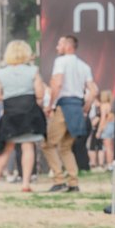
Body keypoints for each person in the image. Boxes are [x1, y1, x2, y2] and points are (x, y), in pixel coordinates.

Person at [0, 40, 46, 194]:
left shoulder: (1, 73)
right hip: (29, 113)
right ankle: (25, 184)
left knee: (6, 149)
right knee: (28, 147)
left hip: (10, 114)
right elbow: (40, 93)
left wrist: (9, 97)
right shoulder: (33, 71)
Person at [44, 35, 94, 194]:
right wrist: (86, 107)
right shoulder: (84, 66)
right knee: (66, 147)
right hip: (77, 107)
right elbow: (93, 90)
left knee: (48, 144)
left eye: (59, 44)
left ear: (67, 46)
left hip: (64, 106)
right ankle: (73, 182)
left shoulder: (61, 62)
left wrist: (50, 105)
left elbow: (57, 83)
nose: (57, 47)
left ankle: (59, 180)